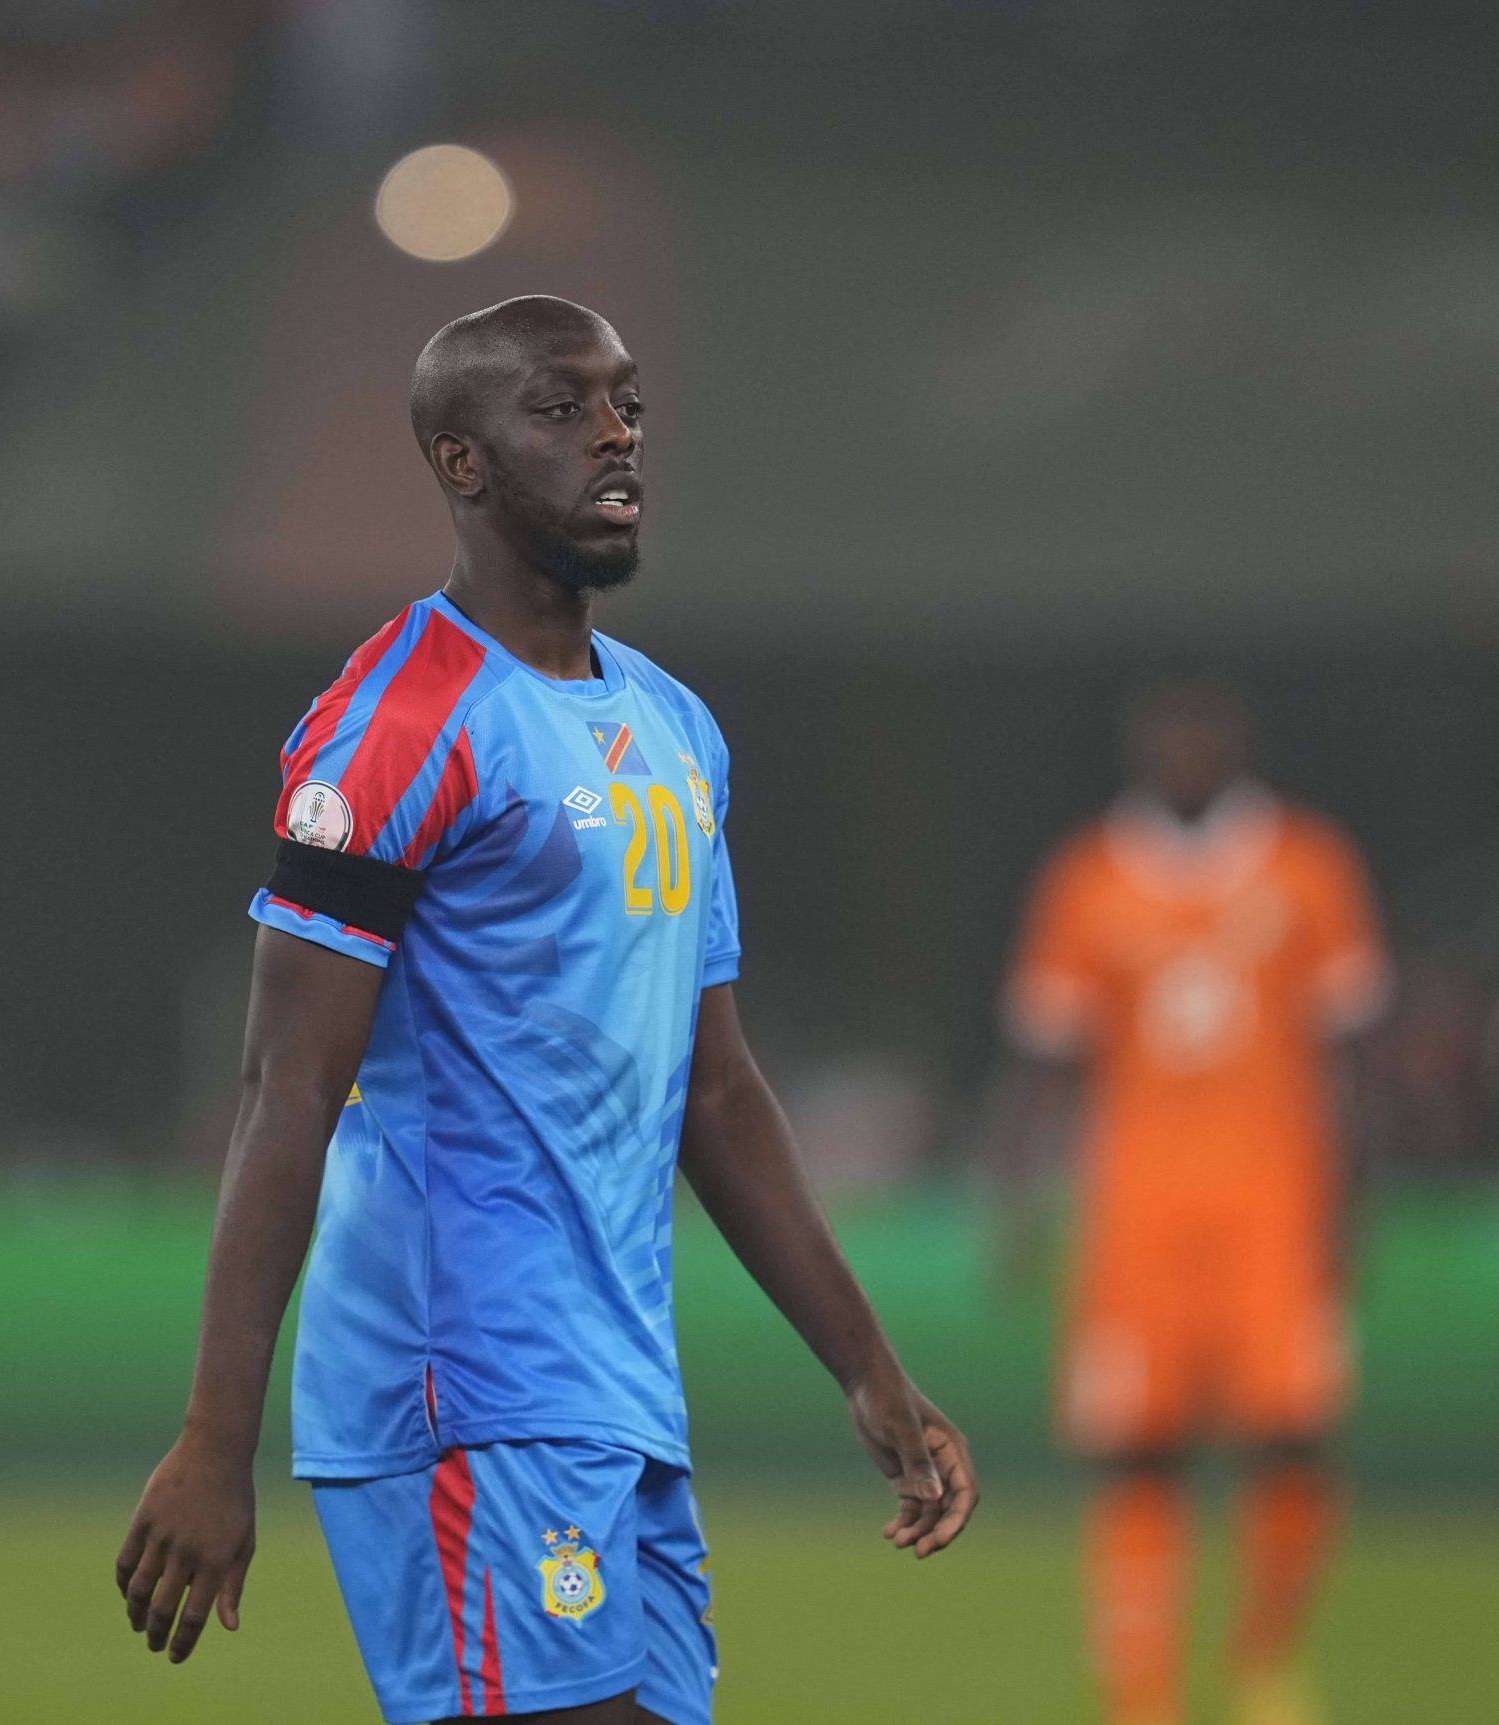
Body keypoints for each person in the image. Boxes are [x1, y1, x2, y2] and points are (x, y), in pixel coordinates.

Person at [115, 296, 977, 1725]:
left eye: (627, 403)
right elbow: (287, 1087)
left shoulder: (674, 731)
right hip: (462, 1376)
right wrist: (218, 1438)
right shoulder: (397, 724)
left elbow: (719, 1093)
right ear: (463, 462)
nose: (617, 435)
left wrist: (868, 1372)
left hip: (616, 1380)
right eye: (562, 411)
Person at [988, 682, 1386, 1725]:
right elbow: (1045, 1055)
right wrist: (1018, 1197)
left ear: (1239, 741)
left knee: (1292, 1439)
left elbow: (1351, 1051)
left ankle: (1264, 1660)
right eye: (1168, 732)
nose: (1187, 749)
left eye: (1205, 730)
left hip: (1275, 1208)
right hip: (1135, 1220)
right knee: (1135, 1455)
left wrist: (1360, 1195)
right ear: (1137, 746)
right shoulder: (1087, 878)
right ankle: (1142, 1699)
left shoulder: (1308, 866)